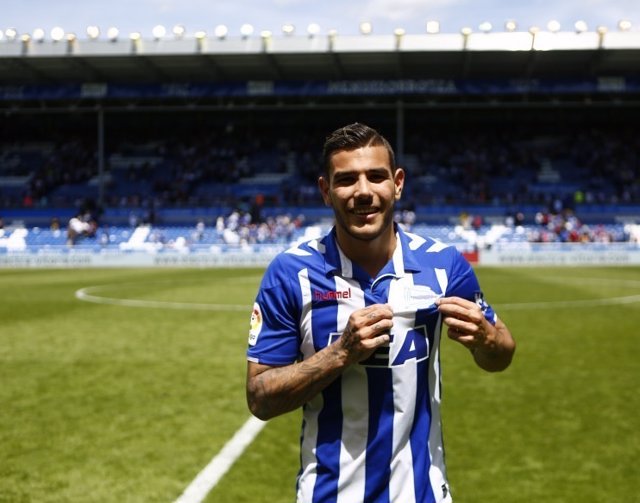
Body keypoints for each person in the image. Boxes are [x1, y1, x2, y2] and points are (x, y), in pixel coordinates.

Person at [245, 123, 516, 503]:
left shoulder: (444, 265)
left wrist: (486, 340)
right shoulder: (290, 274)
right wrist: (340, 354)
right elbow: (259, 397)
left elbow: (502, 353)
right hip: (329, 495)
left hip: (423, 495)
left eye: (376, 177)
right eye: (346, 180)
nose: (363, 192)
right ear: (326, 191)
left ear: (397, 183)